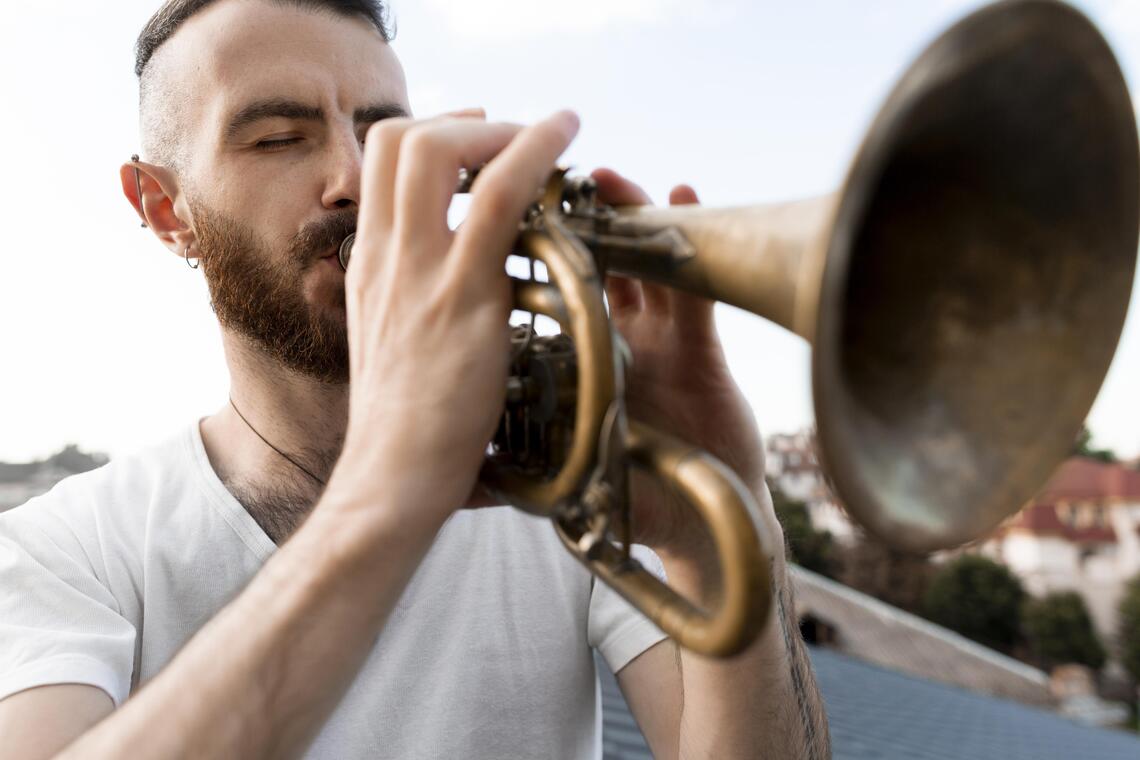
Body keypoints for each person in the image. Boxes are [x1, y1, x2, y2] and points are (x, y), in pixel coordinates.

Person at [0, 1, 829, 757]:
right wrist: (388, 491)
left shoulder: (559, 490)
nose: (355, 179)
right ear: (163, 209)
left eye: (384, 135)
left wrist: (724, 530)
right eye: (278, 139)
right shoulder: (64, 552)